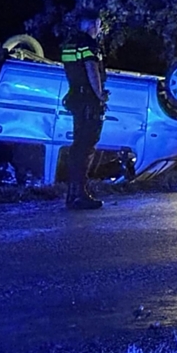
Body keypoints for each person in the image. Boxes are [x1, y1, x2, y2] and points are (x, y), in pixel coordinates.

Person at [61, 13, 109, 210]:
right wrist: (99, 95)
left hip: (76, 98)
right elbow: (91, 69)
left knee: (78, 146)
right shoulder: (89, 44)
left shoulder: (70, 44)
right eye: (98, 25)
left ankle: (72, 194)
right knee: (86, 147)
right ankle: (80, 195)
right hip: (88, 101)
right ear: (93, 25)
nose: (99, 29)